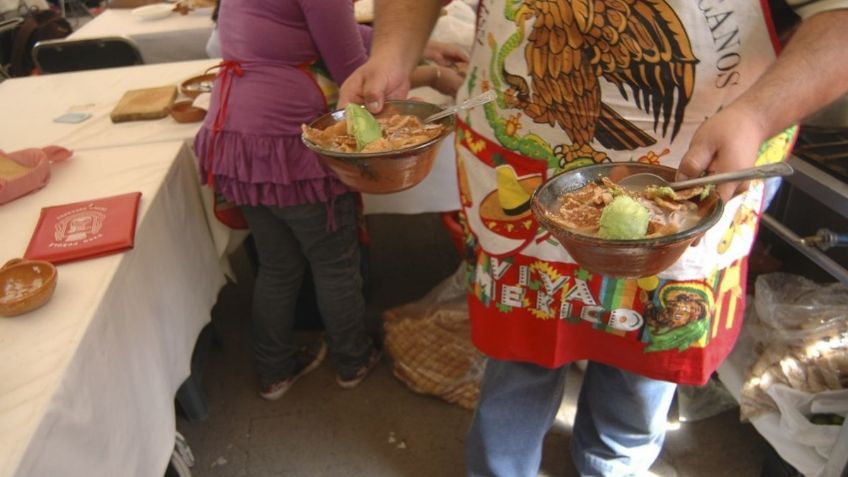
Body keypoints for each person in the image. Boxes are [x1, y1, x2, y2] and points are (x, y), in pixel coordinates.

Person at [339, 0, 848, 474]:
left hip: (693, 171)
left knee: (645, 359)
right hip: (524, 163)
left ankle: (613, 463)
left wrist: (756, 115)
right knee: (520, 352)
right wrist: (393, 52)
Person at [193, 0, 466, 401]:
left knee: (277, 266)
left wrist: (422, 46)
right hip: (291, 145)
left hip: (239, 138)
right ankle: (352, 359)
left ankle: (274, 370)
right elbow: (355, 72)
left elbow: (327, 30)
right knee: (336, 264)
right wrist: (436, 77)